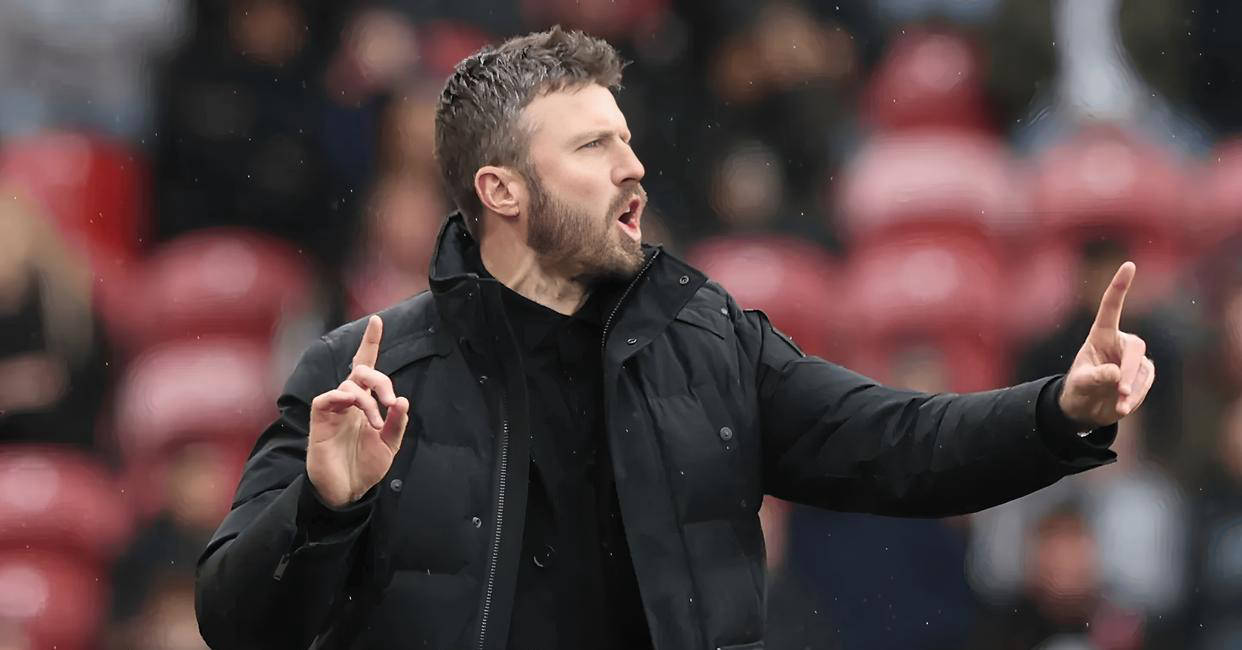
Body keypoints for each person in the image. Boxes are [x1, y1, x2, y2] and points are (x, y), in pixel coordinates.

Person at [194, 26, 1157, 650]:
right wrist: (324, 508)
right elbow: (234, 620)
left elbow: (900, 444)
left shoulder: (711, 341)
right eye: (593, 146)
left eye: (626, 138)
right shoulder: (362, 376)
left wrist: (1059, 410)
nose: (634, 166)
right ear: (501, 191)